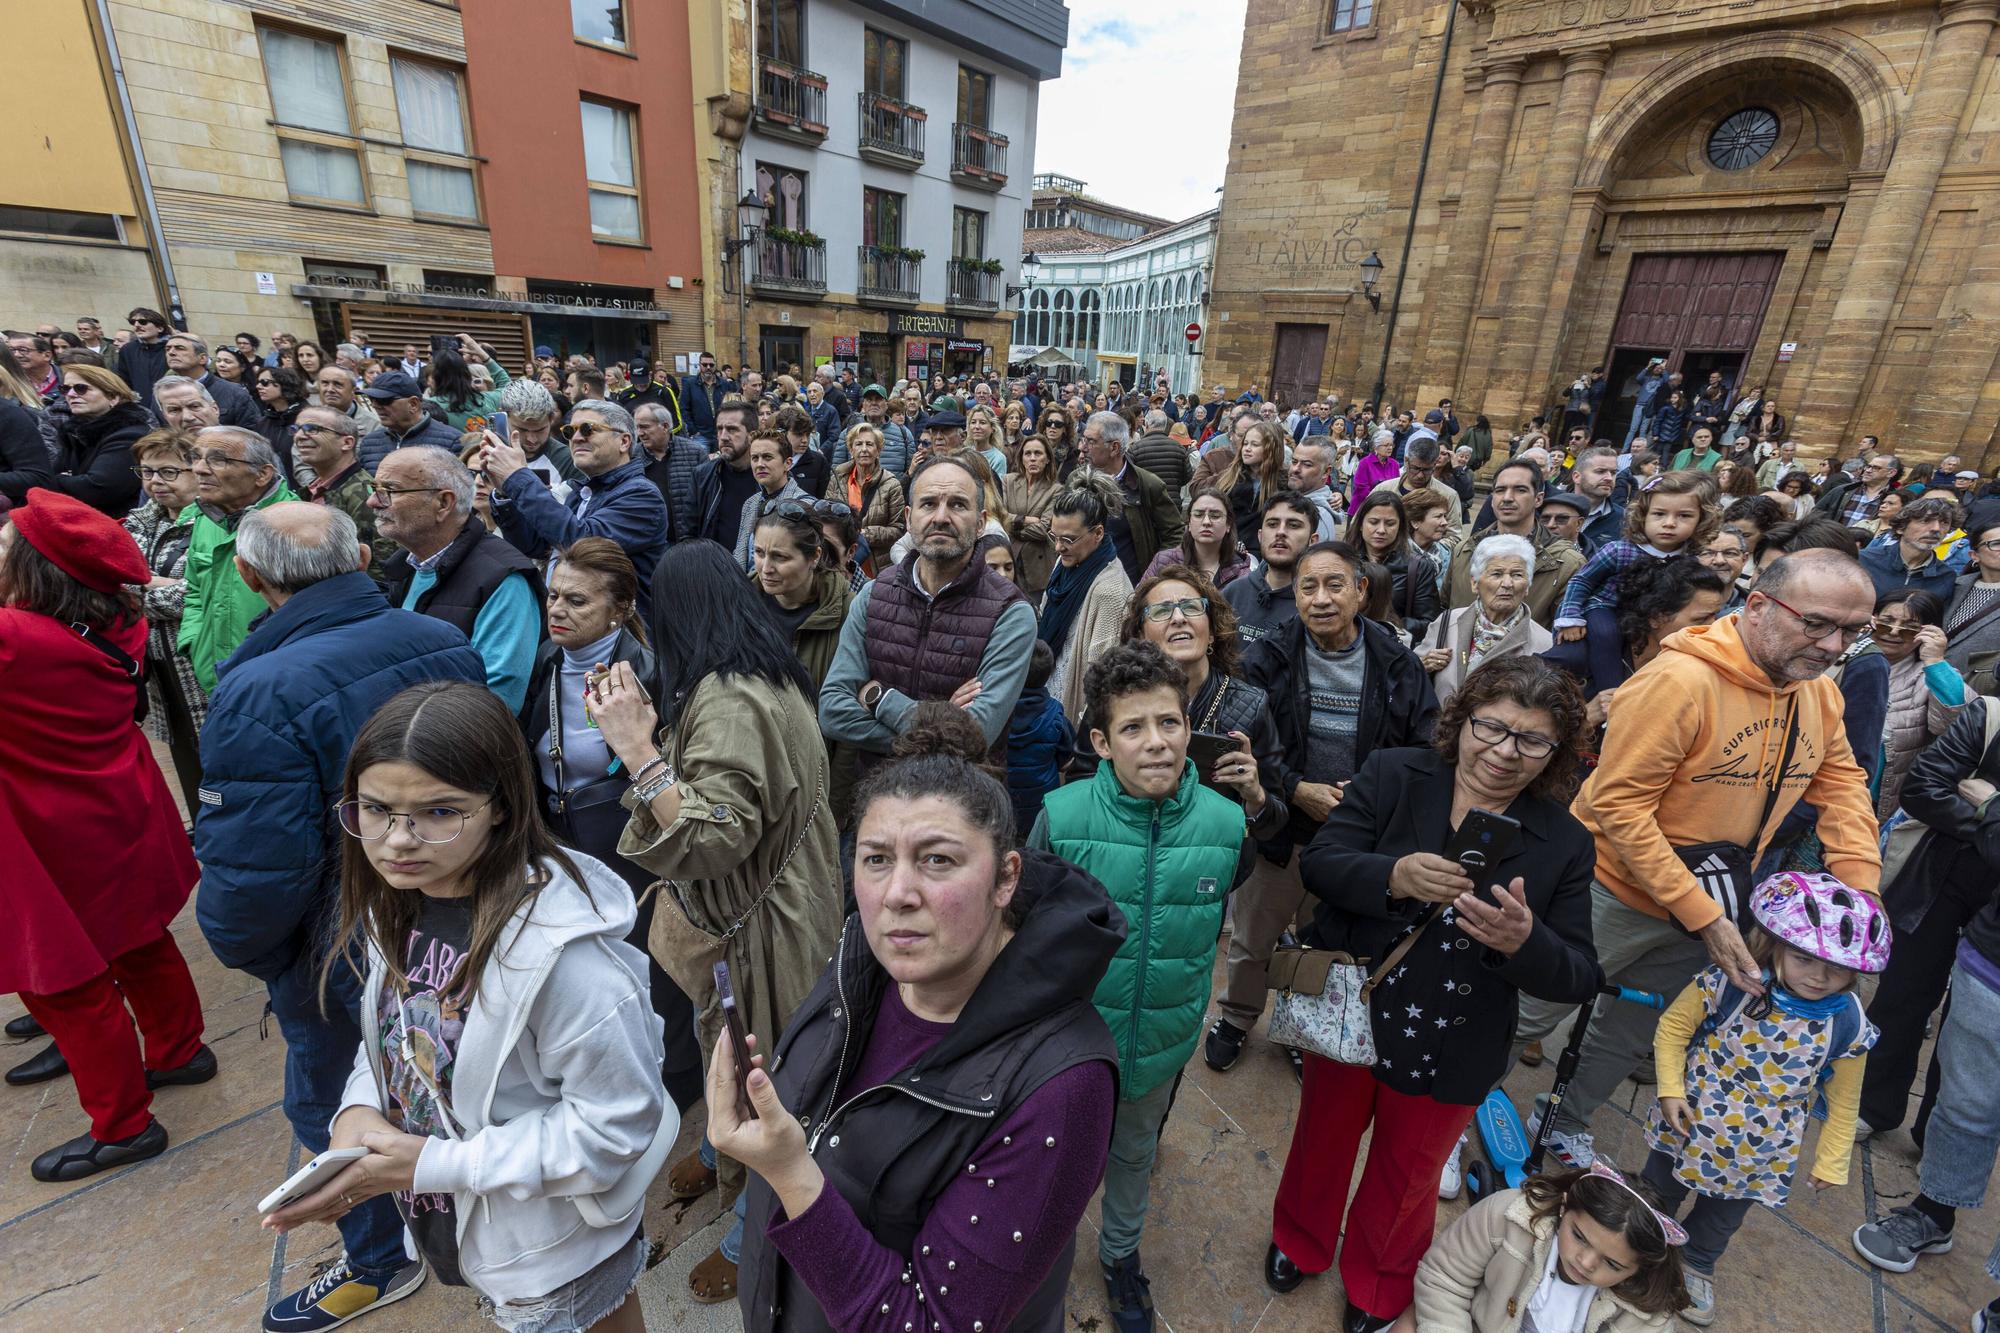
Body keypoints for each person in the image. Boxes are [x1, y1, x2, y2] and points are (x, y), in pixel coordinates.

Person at [260, 681, 671, 1333]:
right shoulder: (398, 902)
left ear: (502, 807)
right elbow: (399, 1036)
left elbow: (614, 1128)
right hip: (474, 1229)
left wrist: (433, 1163)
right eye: (375, 809)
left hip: (556, 1250)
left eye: (439, 811)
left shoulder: (567, 963)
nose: (398, 840)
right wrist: (358, 1111)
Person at [714, 741, 1124, 1333]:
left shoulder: (1064, 1085)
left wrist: (789, 1172)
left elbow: (931, 1323)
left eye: (937, 860)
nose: (897, 894)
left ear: (1007, 876)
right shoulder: (863, 960)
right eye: (876, 859)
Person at [192, 503, 486, 1330]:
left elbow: (257, 869)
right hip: (443, 912)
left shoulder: (258, 688)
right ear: (361, 554)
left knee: (330, 1100)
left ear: (250, 578)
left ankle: (378, 1259)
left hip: (341, 938)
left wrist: (259, 954)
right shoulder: (434, 636)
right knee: (429, 1071)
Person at [1512, 551, 1884, 1170]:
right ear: (1760, 606)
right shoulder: (1678, 682)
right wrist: (1705, 917)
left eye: (1852, 631)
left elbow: (1842, 787)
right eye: (1817, 623)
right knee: (1529, 1008)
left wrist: (1860, 900)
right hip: (1607, 892)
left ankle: (1563, 1123)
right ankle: (1452, 1111)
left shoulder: (1818, 693)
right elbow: (1617, 807)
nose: (1833, 645)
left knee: (1631, 1028)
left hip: (1706, 906)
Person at [1269, 658, 1601, 1330]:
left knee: (1409, 1178)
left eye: (1531, 740)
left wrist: (1522, 939)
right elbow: (1325, 861)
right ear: (1463, 718)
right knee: (1321, 1144)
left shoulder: (1564, 839)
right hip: (1355, 1012)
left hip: (1454, 1043)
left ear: (1556, 751)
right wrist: (1393, 874)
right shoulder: (1396, 772)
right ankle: (1300, 1240)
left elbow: (1578, 972)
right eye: (1493, 727)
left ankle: (1379, 1284)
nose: (1505, 752)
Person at [587, 540, 842, 1305]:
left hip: (768, 921)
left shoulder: (729, 696)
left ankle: (750, 1225)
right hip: (775, 898)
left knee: (764, 1073)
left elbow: (713, 835)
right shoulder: (749, 667)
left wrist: (636, 748)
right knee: (730, 1046)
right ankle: (713, 1145)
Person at [1028, 641, 1255, 1332]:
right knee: (1054, 1155)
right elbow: (1026, 922)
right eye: (1132, 727)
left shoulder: (1226, 822)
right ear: (1100, 740)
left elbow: (1217, 910)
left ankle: (1120, 1252)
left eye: (1169, 723)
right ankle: (1036, 1250)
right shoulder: (1063, 818)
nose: (1156, 743)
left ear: (1190, 727)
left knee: (1134, 1150)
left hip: (1162, 1036)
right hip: (1070, 1042)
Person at [0, 490, 212, 1178]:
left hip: (47, 829)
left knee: (66, 982)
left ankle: (123, 1124)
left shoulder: (16, 638)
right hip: (113, 801)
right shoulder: (112, 613)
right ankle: (179, 1050)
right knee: (141, 938)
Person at [1209, 541, 1441, 1076]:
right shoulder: (1267, 658)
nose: (1320, 598)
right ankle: (1238, 1018)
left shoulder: (1396, 663)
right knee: (1252, 936)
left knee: (1324, 943)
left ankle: (1299, 1024)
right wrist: (1295, 787)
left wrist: (1369, 795)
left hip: (1354, 838)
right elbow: (1243, 744)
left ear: (1362, 591)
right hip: (1280, 827)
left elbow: (1423, 747)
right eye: (1308, 586)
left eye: (1335, 585)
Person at [1645, 872, 1884, 1325]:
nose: (1820, 976)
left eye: (1836, 968)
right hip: (1692, 1115)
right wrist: (1671, 1089)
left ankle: (1696, 1264)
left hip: (1763, 1143)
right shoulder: (1732, 981)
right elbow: (1674, 1029)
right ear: (1774, 944)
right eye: (1803, 958)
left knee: (1723, 1216)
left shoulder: (1848, 1021)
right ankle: (1642, 1243)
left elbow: (1845, 1098)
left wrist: (1832, 1161)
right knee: (1659, 1190)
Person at [518, 538, 704, 1112]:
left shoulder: (650, 672)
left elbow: (669, 772)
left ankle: (677, 1079)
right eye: (553, 596)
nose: (557, 610)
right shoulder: (549, 661)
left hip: (629, 848)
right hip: (563, 842)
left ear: (620, 608)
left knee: (654, 962)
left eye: (577, 601)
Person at [820, 456, 1037, 770]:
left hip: (964, 802)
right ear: (909, 518)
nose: (941, 517)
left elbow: (975, 735)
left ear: (980, 522)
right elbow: (833, 711)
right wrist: (941, 724)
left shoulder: (1010, 613)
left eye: (958, 505)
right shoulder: (873, 595)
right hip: (881, 798)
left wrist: (880, 699)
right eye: (928, 503)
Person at [1404, 1164, 1689, 1333]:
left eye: (1613, 1264)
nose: (1586, 1262)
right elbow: (1444, 1279)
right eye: (1579, 1237)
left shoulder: (1650, 1314)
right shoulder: (1508, 1213)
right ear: (1564, 1207)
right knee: (1408, 1322)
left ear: (1641, 1269)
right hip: (1470, 1325)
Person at [373, 447, 544, 712]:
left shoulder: (502, 578)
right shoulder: (405, 567)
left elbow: (498, 699)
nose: (373, 502)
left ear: (443, 503)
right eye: (374, 489)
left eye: (390, 491)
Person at [484, 398, 669, 617]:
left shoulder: (642, 495)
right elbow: (534, 545)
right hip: (573, 625)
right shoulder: (579, 490)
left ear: (624, 442)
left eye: (588, 429)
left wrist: (518, 478)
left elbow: (583, 543)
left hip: (617, 636)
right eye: (570, 431)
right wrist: (506, 490)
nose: (577, 437)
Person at [121, 428, 208, 810]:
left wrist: (138, 588)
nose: (156, 481)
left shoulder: (210, 522)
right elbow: (113, 582)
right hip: (155, 663)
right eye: (147, 472)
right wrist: (158, 585)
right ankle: (201, 828)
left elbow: (198, 594)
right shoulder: (139, 521)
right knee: (179, 747)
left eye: (169, 471)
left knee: (210, 748)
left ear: (197, 472)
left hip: (197, 657)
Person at [177, 425, 297, 692]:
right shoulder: (206, 517)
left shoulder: (296, 526)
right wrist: (194, 642)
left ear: (263, 474)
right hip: (213, 677)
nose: (199, 469)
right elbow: (194, 589)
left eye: (218, 460)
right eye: (195, 457)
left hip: (276, 682)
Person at [1864, 588, 1966, 818]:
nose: (1894, 632)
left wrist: (1935, 661)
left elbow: (1956, 727)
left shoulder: (1930, 674)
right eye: (1885, 622)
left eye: (1910, 628)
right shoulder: (1842, 655)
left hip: (1876, 802)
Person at [1446, 459, 1585, 627]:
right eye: (1500, 490)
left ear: (1538, 499)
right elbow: (1444, 609)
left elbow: (1565, 634)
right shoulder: (1464, 551)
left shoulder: (1566, 564)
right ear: (1492, 499)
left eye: (1520, 490)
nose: (1507, 498)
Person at [1043, 476, 1137, 724]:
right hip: (1045, 700)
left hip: (1070, 719)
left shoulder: (1112, 593)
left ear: (1098, 533)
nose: (1058, 548)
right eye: (1054, 536)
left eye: (1069, 539)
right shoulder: (1065, 562)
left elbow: (1102, 684)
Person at [1419, 534, 1552, 708]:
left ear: (1527, 586)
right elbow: (1412, 673)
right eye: (1496, 574)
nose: (1507, 583)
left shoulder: (1545, 644)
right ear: (1475, 583)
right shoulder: (1447, 621)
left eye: (1517, 575)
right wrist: (1423, 665)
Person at [751, 503, 853, 692]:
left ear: (815, 556)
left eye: (780, 557)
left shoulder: (850, 611)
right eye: (759, 553)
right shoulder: (740, 601)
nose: (765, 569)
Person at [1077, 411, 1183, 580]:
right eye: (1083, 439)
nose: (1082, 447)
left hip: (1130, 585)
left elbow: (1174, 533)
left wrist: (1155, 574)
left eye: (1091, 442)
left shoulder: (1147, 485)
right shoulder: (1076, 481)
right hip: (1084, 581)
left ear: (1114, 448)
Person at [293, 405, 394, 577]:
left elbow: (381, 566)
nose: (300, 436)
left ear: (347, 443)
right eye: (296, 429)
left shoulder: (367, 495)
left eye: (312, 429)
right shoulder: (311, 492)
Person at [49, 363, 148, 516]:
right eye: (65, 389)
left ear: (113, 397)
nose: (71, 394)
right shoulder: (74, 432)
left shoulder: (130, 435)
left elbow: (97, 489)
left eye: (81, 388)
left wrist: (56, 480)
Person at [1224, 489, 1317, 645]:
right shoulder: (1233, 593)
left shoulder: (1318, 605)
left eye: (1294, 525)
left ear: (1312, 541)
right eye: (1272, 524)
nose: (1280, 532)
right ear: (1260, 536)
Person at [1346, 491, 1440, 642]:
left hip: (1393, 648)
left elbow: (1430, 623)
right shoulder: (1344, 560)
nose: (1381, 530)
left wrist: (1387, 624)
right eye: (1374, 522)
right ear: (1361, 525)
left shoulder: (1418, 566)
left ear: (1400, 527)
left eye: (1390, 524)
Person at [1006, 639, 1072, 837]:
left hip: (1003, 802)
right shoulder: (1055, 714)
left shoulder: (998, 710)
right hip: (1041, 807)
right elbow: (1067, 761)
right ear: (1049, 674)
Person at [728, 430, 811, 571]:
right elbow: (741, 553)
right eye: (755, 458)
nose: (760, 464)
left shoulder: (804, 505)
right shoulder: (750, 503)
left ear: (788, 463)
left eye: (767, 457)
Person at [356, 370, 464, 472]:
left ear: (413, 404)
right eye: (372, 399)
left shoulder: (453, 442)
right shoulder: (369, 443)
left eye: (383, 400)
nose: (375, 405)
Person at [1860, 492, 1960, 601]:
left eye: (1944, 522)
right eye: (1925, 521)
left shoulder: (1946, 576)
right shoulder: (1865, 560)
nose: (1936, 528)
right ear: (1901, 527)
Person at [1144, 485, 1250, 588]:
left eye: (1215, 516)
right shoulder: (1164, 561)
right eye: (1198, 515)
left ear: (1228, 525)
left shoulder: (1241, 571)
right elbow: (1137, 601)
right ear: (1189, 523)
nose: (1206, 522)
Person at [691, 401, 761, 548]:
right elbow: (689, 532)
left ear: (752, 435)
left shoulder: (768, 478)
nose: (723, 437)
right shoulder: (703, 476)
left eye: (732, 429)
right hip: (713, 565)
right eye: (719, 429)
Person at [1213, 419, 1290, 550]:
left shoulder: (1284, 483)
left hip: (1264, 552)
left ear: (1270, 449)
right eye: (1245, 444)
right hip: (1228, 549)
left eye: (1255, 444)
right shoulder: (1230, 479)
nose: (1247, 449)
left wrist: (1335, 494)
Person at [1942, 518, 2000, 689]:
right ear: (1974, 555)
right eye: (1996, 544)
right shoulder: (1954, 586)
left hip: (1980, 692)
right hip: (1930, 679)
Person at [1002, 430, 1061, 597]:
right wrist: (1025, 520)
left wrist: (1011, 525)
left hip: (1037, 564)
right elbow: (1000, 517)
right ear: (1021, 457)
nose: (1032, 458)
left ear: (1048, 458)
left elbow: (1044, 530)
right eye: (1028, 453)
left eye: (1038, 453)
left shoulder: (1055, 490)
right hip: (1008, 556)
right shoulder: (1008, 481)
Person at [634, 401, 703, 542]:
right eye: (637, 427)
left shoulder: (695, 453)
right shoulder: (631, 457)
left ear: (665, 426)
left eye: (645, 427)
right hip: (650, 544)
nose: (639, 433)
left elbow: (707, 498)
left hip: (689, 540)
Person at [425, 334, 511, 431]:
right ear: (468, 375)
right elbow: (509, 388)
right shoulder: (486, 400)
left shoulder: (429, 409)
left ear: (435, 378)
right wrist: (483, 355)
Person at [115, 306, 170, 410]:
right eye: (133, 322)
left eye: (143, 322)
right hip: (141, 408)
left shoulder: (172, 347)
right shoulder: (128, 350)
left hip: (170, 403)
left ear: (160, 328)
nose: (137, 325)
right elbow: (124, 380)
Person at [679, 350, 737, 445]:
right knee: (703, 460)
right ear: (700, 365)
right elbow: (683, 409)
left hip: (722, 433)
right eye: (705, 365)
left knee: (723, 459)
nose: (708, 367)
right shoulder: (690, 384)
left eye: (711, 365)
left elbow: (731, 406)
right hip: (700, 435)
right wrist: (693, 430)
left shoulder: (724, 384)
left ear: (715, 365)